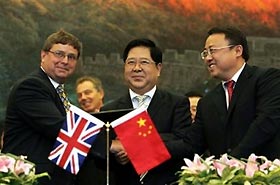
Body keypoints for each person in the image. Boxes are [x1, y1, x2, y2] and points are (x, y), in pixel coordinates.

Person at [97, 38, 192, 185]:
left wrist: (134, 146)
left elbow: (184, 144)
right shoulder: (109, 110)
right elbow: (103, 158)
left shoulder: (177, 104)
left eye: (144, 62)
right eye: (131, 62)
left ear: (158, 68)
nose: (136, 68)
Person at [186, 26, 280, 160]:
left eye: (212, 51)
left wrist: (230, 162)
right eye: (205, 53)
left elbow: (265, 124)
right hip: (223, 178)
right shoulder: (207, 102)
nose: (207, 58)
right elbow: (190, 146)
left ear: (237, 50)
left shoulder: (267, 80)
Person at [2, 29, 82, 185]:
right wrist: (110, 143)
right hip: (29, 179)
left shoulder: (59, 92)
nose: (65, 61)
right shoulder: (31, 86)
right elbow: (60, 128)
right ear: (43, 55)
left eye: (71, 57)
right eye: (59, 54)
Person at [75, 76, 106, 185]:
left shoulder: (117, 118)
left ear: (101, 93)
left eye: (87, 92)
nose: (83, 98)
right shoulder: (76, 125)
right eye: (79, 95)